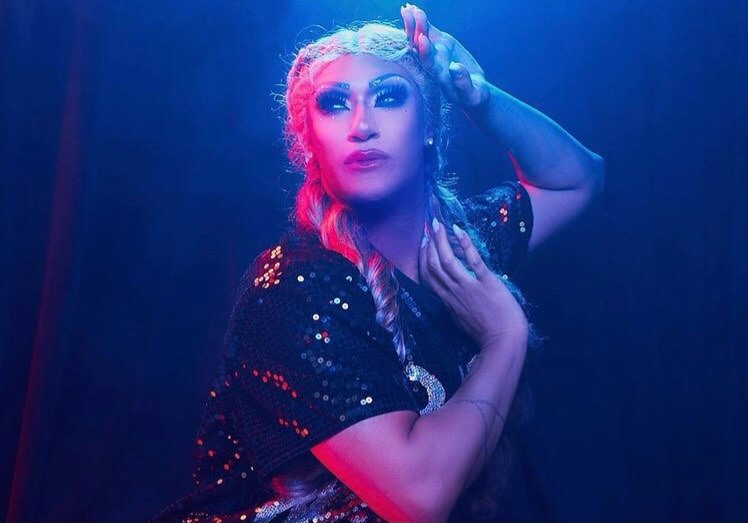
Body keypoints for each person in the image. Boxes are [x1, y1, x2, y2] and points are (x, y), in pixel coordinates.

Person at [151, 4, 604, 522]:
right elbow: (419, 499)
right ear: (309, 144)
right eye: (334, 104)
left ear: (428, 124)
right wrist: (505, 335)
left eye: (388, 97)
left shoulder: (460, 251)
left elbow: (576, 178)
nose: (362, 125)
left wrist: (478, 99)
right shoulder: (291, 288)